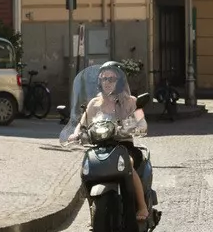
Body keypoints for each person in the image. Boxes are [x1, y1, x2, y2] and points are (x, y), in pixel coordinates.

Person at [63, 61, 154, 222]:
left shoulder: (130, 101)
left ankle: (142, 206)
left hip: (124, 146)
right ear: (99, 81)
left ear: (119, 82)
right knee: (86, 169)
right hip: (100, 146)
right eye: (104, 78)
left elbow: (141, 121)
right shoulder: (94, 104)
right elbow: (82, 123)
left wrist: (138, 126)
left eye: (112, 79)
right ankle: (95, 211)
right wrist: (75, 134)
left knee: (129, 164)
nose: (107, 82)